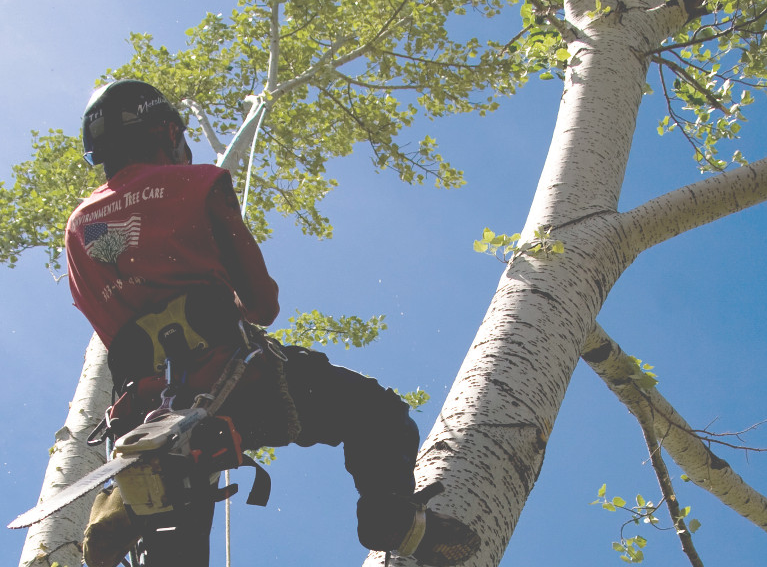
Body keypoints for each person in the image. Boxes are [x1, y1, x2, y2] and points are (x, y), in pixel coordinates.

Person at [64, 79, 480, 566]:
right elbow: (262, 304)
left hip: (145, 410)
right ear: (166, 131)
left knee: (174, 531)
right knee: (377, 413)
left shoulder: (76, 229)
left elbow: (115, 336)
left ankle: (126, 504)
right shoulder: (197, 184)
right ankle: (391, 518)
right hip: (237, 380)